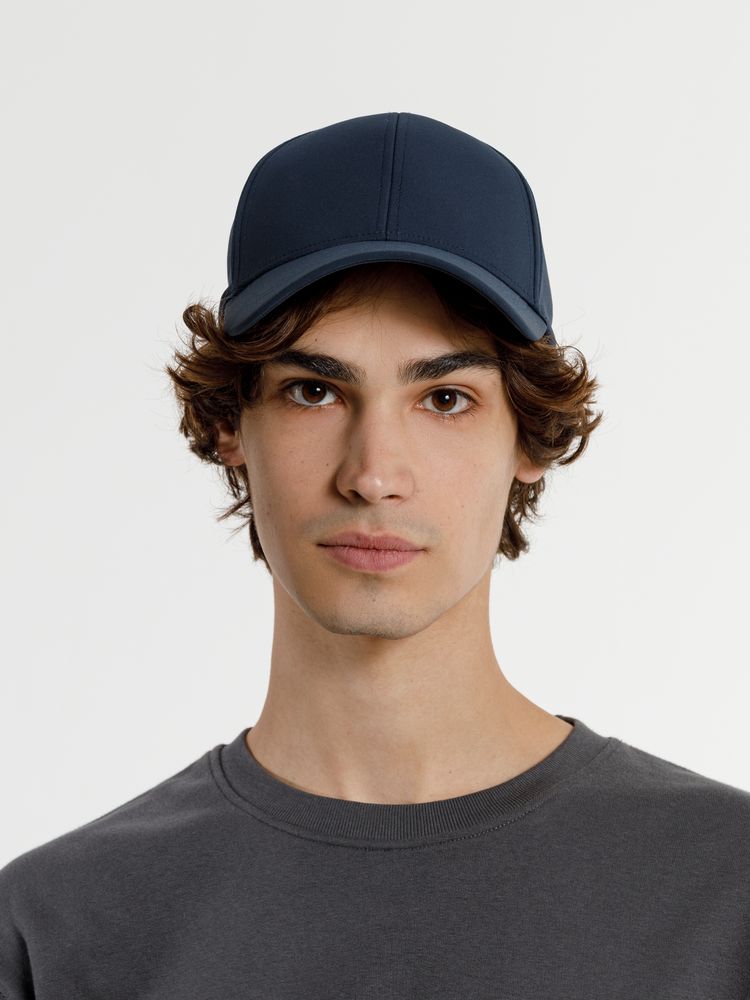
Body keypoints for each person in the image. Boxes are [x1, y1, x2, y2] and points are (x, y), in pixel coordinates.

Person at [1, 111, 749, 1000]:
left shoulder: (725, 891)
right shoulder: (61, 927)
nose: (372, 475)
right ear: (229, 423)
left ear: (530, 436)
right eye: (313, 391)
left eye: (445, 398)